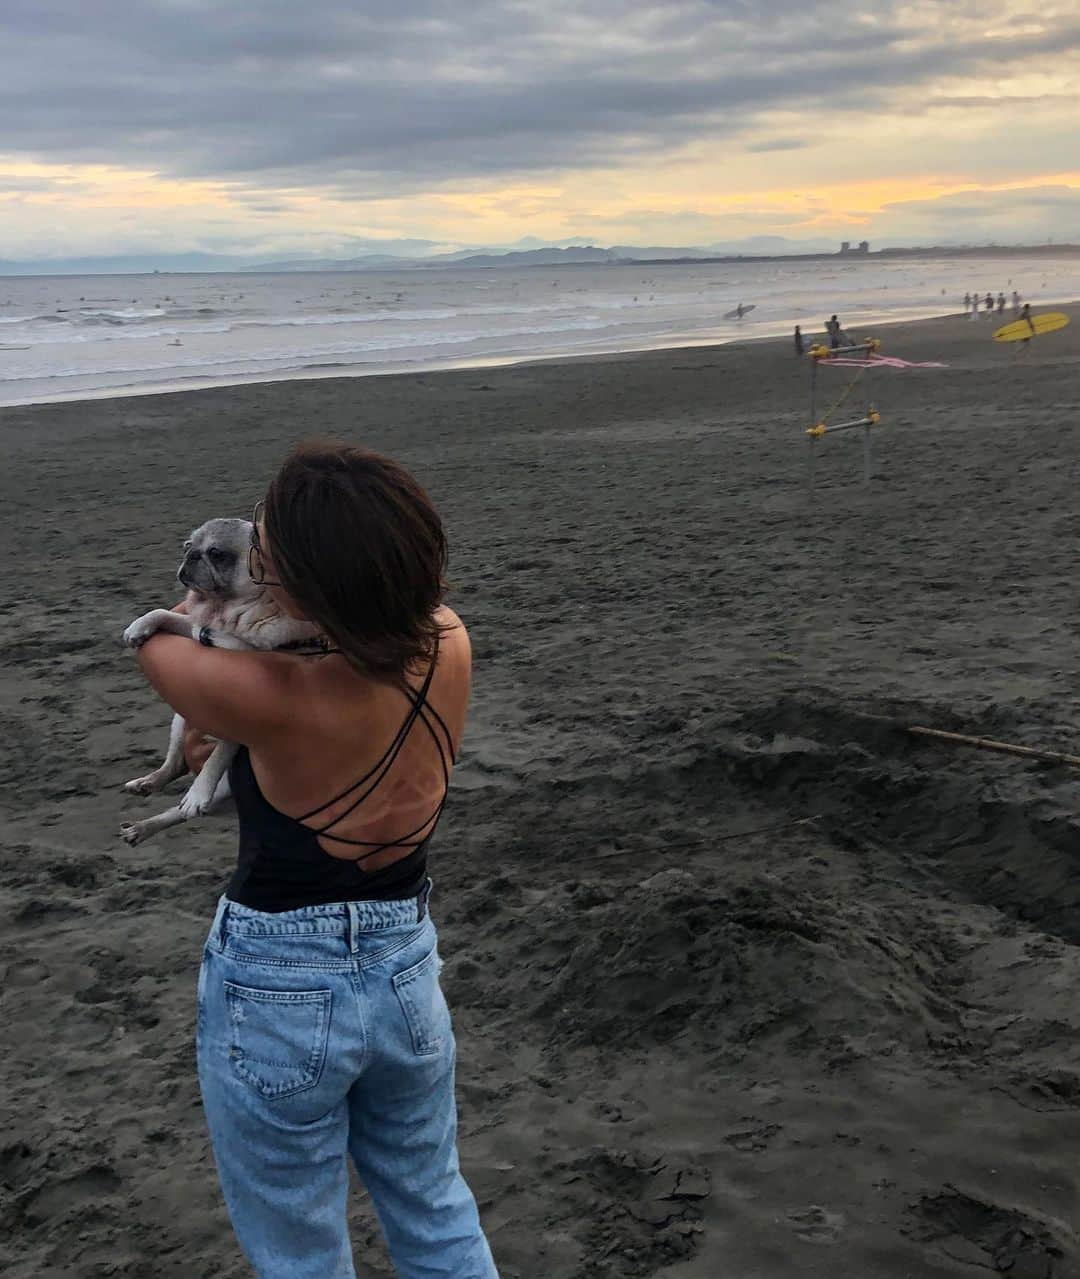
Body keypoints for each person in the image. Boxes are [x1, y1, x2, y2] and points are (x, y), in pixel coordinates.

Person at [131, 443, 498, 1279]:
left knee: (298, 1245)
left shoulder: (271, 692)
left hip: (277, 977)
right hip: (405, 962)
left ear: (307, 577)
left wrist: (223, 588)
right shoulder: (448, 641)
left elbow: (160, 647)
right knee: (433, 1202)